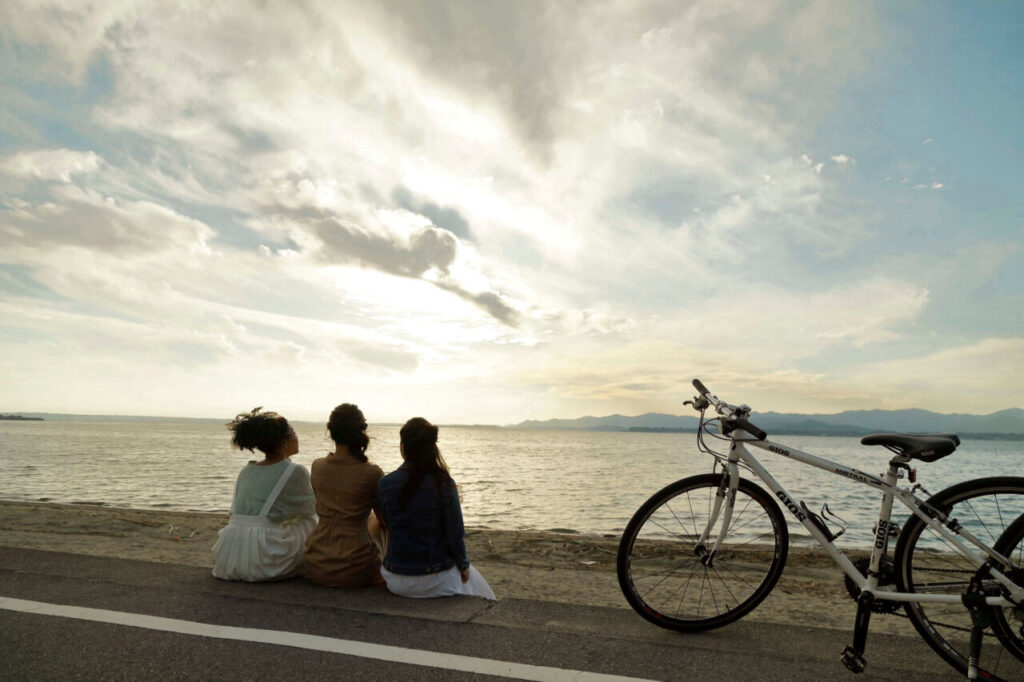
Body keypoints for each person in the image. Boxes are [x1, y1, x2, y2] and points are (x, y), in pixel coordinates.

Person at [376, 417, 495, 600]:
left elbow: (388, 524)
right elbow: (455, 535)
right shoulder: (444, 484)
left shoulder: (385, 484)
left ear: (403, 447)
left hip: (396, 579)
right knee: (482, 591)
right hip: (436, 579)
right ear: (432, 448)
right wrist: (463, 566)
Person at [212, 407, 316, 582]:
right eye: (294, 433)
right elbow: (310, 509)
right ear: (284, 442)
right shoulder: (295, 471)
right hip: (264, 559)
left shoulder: (246, 470)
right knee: (312, 519)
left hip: (231, 556)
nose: (297, 437)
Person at [304, 403, 386, 587]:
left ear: (331, 431)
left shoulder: (317, 466)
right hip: (355, 567)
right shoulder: (372, 472)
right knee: (376, 520)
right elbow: (384, 518)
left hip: (316, 563)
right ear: (361, 431)